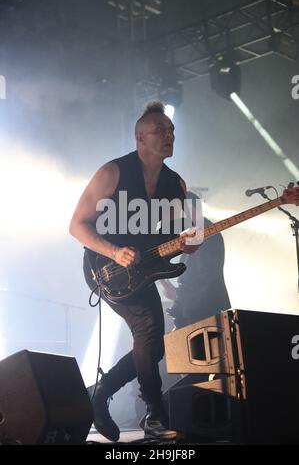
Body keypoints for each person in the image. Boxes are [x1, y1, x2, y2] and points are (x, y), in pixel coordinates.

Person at [69, 101, 200, 442]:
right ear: (140, 138)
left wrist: (188, 243)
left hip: (143, 270)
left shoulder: (176, 184)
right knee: (148, 327)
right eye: (161, 131)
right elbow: (76, 226)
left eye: (172, 131)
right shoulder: (113, 172)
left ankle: (101, 390)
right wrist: (114, 250)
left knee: (154, 345)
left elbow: (177, 235)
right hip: (105, 267)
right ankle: (154, 415)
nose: (170, 135)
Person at [161, 192, 231, 329]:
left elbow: (207, 278)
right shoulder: (193, 234)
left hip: (203, 312)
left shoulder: (207, 233)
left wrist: (178, 295)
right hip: (196, 309)